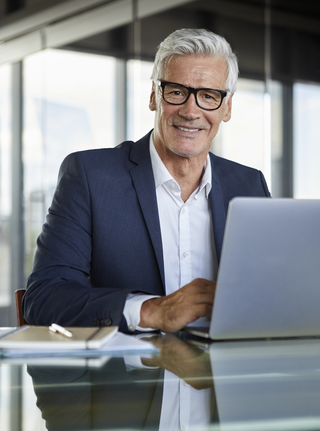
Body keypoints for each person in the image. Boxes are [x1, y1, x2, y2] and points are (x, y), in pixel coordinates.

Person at [23, 28, 270, 333]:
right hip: (125, 376)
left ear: (227, 107)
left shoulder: (249, 185)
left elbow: (272, 296)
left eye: (208, 96)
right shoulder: (89, 176)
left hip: (226, 373)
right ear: (154, 96)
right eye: (177, 92)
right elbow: (44, 299)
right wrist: (151, 311)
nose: (191, 111)